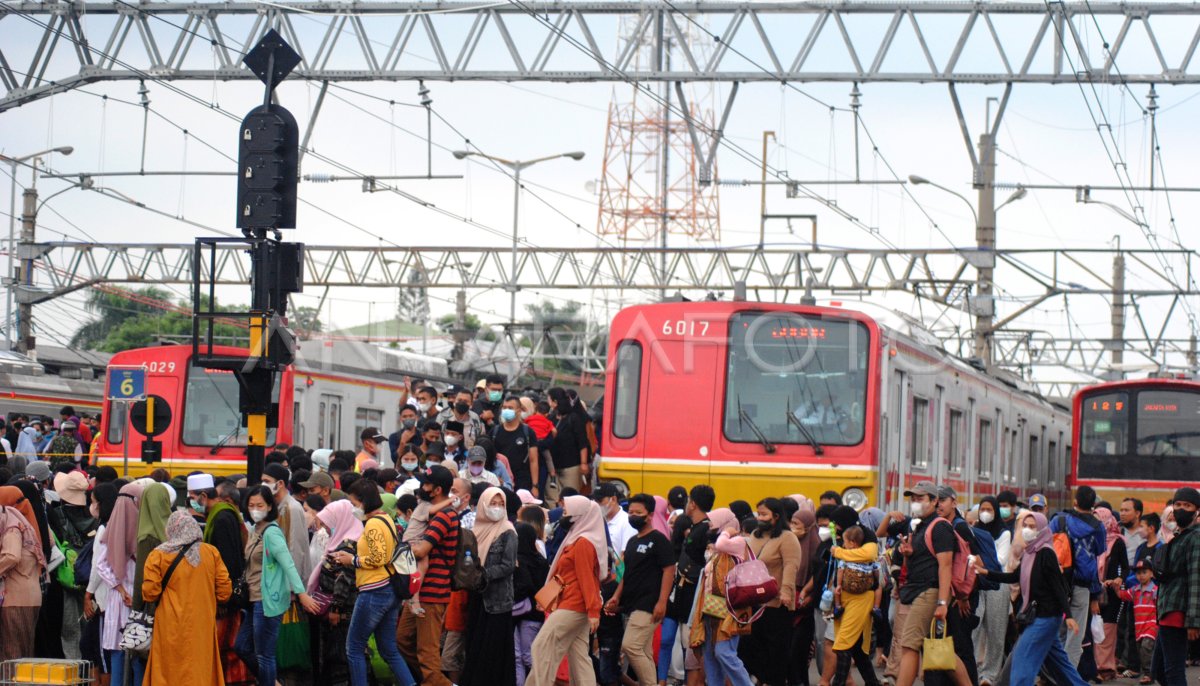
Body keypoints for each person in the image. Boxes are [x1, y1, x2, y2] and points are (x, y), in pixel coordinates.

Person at [975, 512, 1089, 686]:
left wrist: (1069, 616)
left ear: (1043, 529)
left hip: (1047, 617)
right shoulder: (1030, 552)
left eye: (1032, 526)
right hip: (1038, 616)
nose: (1027, 530)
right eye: (1025, 526)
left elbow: (1058, 587)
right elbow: (1014, 577)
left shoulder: (1046, 553)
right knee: (1060, 665)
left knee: (1023, 659)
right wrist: (987, 573)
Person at [328, 480, 416, 686]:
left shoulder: (374, 524)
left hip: (374, 590)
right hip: (388, 590)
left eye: (354, 503)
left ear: (364, 502)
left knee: (354, 648)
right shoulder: (386, 519)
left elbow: (379, 558)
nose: (353, 508)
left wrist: (352, 560)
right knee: (388, 650)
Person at [235, 485, 319, 686]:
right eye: (251, 505)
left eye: (260, 505)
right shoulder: (255, 530)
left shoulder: (272, 532)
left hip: (267, 600)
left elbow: (289, 564)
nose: (255, 509)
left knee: (265, 654)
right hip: (254, 598)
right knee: (242, 647)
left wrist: (301, 593)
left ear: (270, 506)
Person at [894, 481, 972, 686]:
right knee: (941, 649)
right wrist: (910, 553)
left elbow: (945, 566)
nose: (915, 503)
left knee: (910, 645)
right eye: (913, 499)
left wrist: (942, 603)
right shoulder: (922, 526)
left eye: (921, 499)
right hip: (922, 591)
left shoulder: (940, 527)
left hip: (930, 592)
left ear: (934, 500)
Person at [142, 510, 232, 685]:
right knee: (199, 669)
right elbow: (224, 592)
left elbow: (150, 592)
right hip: (202, 626)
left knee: (168, 669)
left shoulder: (158, 555)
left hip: (169, 625)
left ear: (171, 530)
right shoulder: (211, 553)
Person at [526, 495, 606, 686]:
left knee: (541, 647)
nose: (563, 516)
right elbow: (566, 576)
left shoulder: (583, 543)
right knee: (578, 657)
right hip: (575, 603)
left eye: (566, 512)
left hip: (574, 605)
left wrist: (594, 611)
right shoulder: (577, 539)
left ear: (579, 515)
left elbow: (587, 579)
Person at [602, 493, 675, 686]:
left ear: (650, 515)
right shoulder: (632, 542)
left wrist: (662, 601)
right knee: (643, 650)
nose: (633, 515)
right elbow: (627, 574)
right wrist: (617, 596)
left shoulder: (658, 540)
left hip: (649, 603)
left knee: (631, 646)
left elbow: (669, 569)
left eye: (638, 512)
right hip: (632, 604)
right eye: (631, 512)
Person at [398, 464, 460, 686]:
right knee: (402, 641)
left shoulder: (445, 515)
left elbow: (422, 550)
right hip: (418, 590)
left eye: (426, 484)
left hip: (432, 593)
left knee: (427, 654)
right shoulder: (429, 510)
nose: (422, 487)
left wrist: (398, 550)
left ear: (437, 490)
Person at [738, 497, 801, 686]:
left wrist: (786, 592)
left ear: (776, 516)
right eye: (759, 514)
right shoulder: (755, 536)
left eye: (764, 514)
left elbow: (791, 566)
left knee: (776, 652)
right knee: (748, 650)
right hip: (753, 603)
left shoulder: (787, 537)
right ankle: (761, 679)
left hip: (776, 604)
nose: (760, 518)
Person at [688, 507, 753, 686]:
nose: (709, 525)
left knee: (724, 652)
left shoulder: (738, 542)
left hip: (730, 608)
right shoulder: (718, 546)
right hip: (711, 607)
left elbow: (721, 545)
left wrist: (727, 531)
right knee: (709, 654)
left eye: (712, 521)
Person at [460, 486, 518, 686]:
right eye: (493, 504)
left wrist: (484, 574)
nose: (497, 508)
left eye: (501, 504)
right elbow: (469, 561)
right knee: (475, 644)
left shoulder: (508, 531)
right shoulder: (475, 531)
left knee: (493, 649)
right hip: (477, 596)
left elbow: (508, 565)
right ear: (484, 505)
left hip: (497, 599)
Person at [1049, 485, 1107, 666]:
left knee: (1057, 630)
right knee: (1076, 633)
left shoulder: (1058, 520)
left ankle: (1053, 672)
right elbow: (1099, 551)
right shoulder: (1098, 527)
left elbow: (1047, 546)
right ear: (1093, 504)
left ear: (1075, 501)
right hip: (1082, 585)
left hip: (1058, 581)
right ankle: (1069, 675)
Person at [1149, 486, 1200, 686]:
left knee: (1173, 671)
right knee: (1159, 670)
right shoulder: (1180, 536)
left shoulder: (1195, 538)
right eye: (1177, 504)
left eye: (1187, 505)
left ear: (1196, 511)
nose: (1180, 509)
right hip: (1166, 609)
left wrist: (1194, 620)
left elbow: (1196, 579)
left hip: (1178, 611)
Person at [829, 512, 882, 686]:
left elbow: (868, 555)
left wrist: (839, 552)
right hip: (844, 599)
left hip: (860, 600)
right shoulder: (841, 541)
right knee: (858, 649)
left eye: (837, 524)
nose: (834, 527)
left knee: (843, 644)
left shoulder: (868, 539)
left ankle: (838, 683)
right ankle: (872, 682)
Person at [973, 495, 1012, 686]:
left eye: (989, 510)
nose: (985, 513)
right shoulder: (973, 531)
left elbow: (1001, 560)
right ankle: (971, 669)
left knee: (996, 631)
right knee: (975, 626)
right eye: (982, 509)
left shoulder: (1004, 533)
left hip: (997, 584)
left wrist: (980, 559)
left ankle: (989, 675)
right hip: (977, 582)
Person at [0, 501, 46, 661]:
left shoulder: (12, 529)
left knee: (12, 654)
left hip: (16, 599)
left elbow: (12, 556)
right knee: (23, 654)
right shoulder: (19, 523)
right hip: (27, 597)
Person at [261, 463, 311, 583]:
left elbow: (295, 549)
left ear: (280, 484)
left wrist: (292, 587)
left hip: (288, 583)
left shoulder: (291, 508)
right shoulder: (275, 506)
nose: (263, 485)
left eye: (267, 481)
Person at [1110, 558, 1158, 684]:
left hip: (1151, 626)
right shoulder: (1135, 590)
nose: (1141, 575)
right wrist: (1115, 587)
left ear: (1152, 573)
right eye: (1138, 573)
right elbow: (1122, 595)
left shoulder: (1155, 591)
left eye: (1144, 572)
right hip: (1139, 628)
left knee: (1146, 648)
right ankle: (1150, 672)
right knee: (1141, 651)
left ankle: (1149, 674)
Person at [512, 521, 548, 685]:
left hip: (521, 613)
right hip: (537, 614)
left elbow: (525, 585)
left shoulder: (518, 559)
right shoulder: (540, 559)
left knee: (521, 657)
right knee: (529, 655)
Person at [1094, 506, 1128, 681]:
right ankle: (1094, 666)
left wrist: (1119, 578)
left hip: (1112, 593)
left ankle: (1105, 668)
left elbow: (1125, 566)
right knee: (1094, 628)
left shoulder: (1118, 542)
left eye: (1100, 520)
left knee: (1108, 628)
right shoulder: (1092, 539)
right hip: (1094, 590)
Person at [492, 396, 540, 494]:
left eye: (510, 408)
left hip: (522, 481)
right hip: (500, 480)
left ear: (519, 410)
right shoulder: (495, 431)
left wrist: (535, 486)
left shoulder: (528, 432)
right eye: (504, 407)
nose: (506, 410)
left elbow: (533, 460)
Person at [547, 387, 589, 492]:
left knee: (570, 495)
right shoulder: (550, 418)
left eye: (549, 399)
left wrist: (583, 463)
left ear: (555, 402)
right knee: (551, 497)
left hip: (571, 466)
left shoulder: (574, 418)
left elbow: (582, 443)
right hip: (553, 467)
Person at [1120, 498, 1146, 567]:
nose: (1122, 514)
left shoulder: (1147, 533)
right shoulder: (1117, 532)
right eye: (1121, 510)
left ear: (1137, 513)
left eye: (1126, 510)